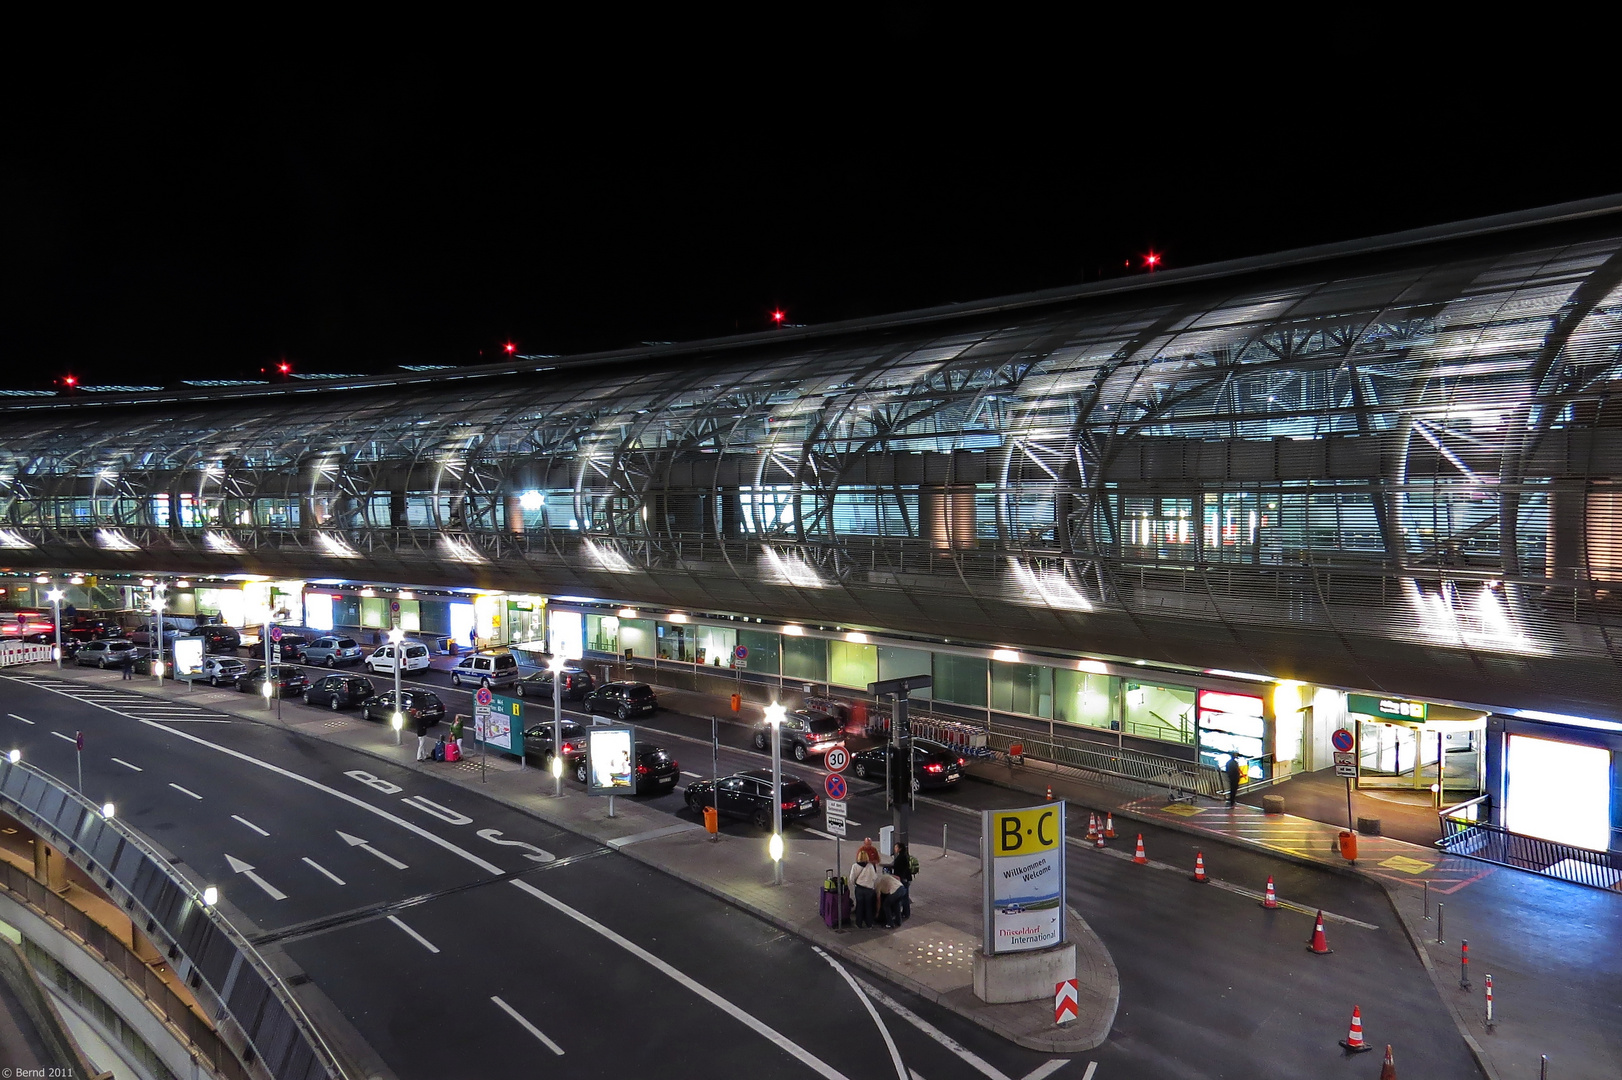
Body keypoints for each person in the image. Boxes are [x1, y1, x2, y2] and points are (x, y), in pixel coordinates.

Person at [848, 851, 880, 929]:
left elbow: (851, 878)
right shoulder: (870, 866)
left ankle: (859, 923)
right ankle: (869, 924)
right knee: (868, 907)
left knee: (859, 906)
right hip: (869, 890)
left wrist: (855, 884)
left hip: (859, 888)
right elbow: (874, 877)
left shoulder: (855, 866)